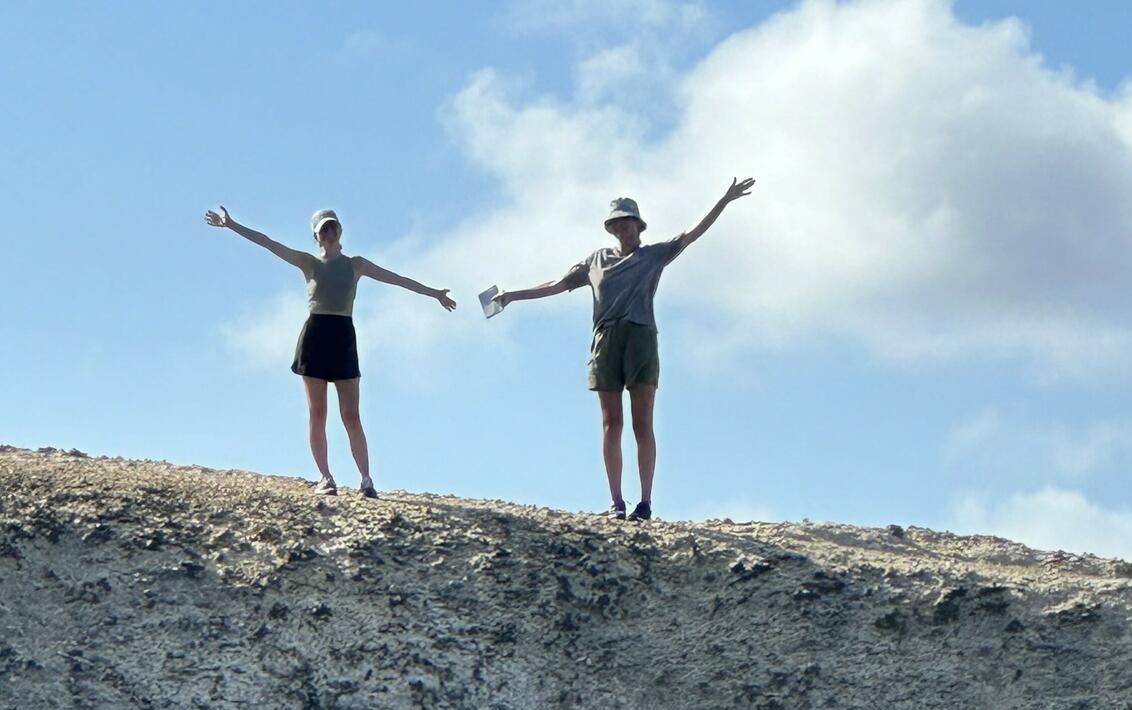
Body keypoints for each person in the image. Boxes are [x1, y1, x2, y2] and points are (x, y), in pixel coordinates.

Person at [491, 178, 754, 520]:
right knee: (610, 422)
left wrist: (724, 199)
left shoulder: (654, 255)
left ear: (638, 225)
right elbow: (557, 284)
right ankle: (616, 502)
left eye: (627, 221)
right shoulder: (596, 260)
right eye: (617, 222)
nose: (622, 227)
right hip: (605, 339)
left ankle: (644, 502)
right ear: (612, 227)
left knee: (642, 424)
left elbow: (691, 234)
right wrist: (513, 294)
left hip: (640, 336)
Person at [204, 206, 455, 498]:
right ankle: (325, 477)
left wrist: (434, 293)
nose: (329, 231)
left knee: (351, 414)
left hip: (343, 336)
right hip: (315, 337)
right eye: (324, 228)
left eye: (333, 226)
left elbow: (395, 278)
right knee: (317, 413)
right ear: (316, 235)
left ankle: (366, 480)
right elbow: (270, 244)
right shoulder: (308, 263)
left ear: (340, 230)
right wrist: (232, 225)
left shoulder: (356, 265)